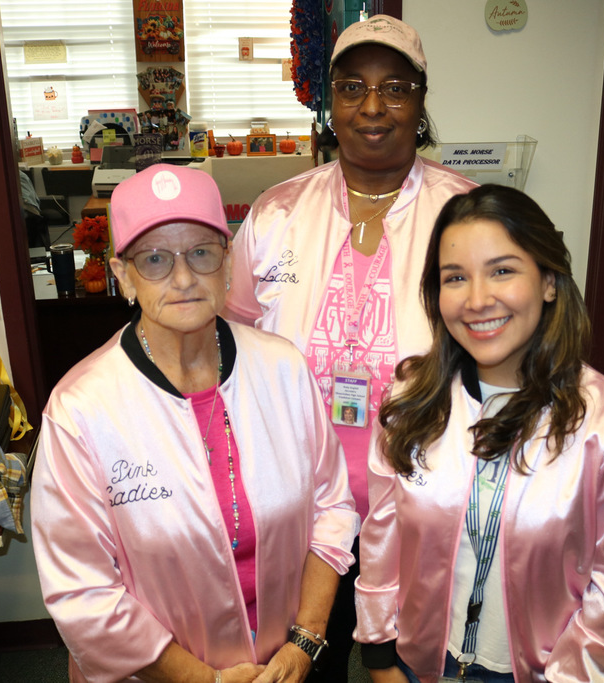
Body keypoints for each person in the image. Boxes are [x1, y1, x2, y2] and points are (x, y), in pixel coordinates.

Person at [31, 164, 360, 683]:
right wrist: (200, 680)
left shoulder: (283, 369)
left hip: (285, 666)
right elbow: (83, 591)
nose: (183, 279)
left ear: (229, 264)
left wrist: (305, 641)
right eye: (155, 259)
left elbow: (333, 507)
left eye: (201, 253)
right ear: (123, 276)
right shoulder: (80, 409)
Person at [225, 16, 477, 678]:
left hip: (424, 503)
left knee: (420, 662)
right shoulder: (278, 213)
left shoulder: (468, 214)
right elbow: (234, 348)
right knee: (305, 658)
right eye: (351, 87)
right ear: (329, 102)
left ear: (421, 101)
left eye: (394, 86)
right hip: (301, 506)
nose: (372, 106)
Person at [355, 185, 604, 682]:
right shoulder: (410, 399)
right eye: (455, 277)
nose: (477, 300)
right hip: (419, 661)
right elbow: (382, 536)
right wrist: (378, 654)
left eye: (502, 270)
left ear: (549, 282)